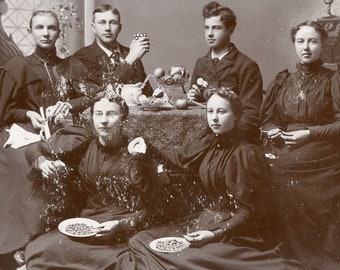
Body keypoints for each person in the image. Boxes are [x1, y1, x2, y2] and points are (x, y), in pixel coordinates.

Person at [126, 87, 305, 270]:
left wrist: (214, 234)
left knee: (185, 256)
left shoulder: (245, 152)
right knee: (140, 240)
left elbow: (250, 212)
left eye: (222, 111)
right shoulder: (210, 142)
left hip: (238, 230)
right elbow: (177, 159)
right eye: (210, 111)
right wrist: (146, 147)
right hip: (209, 219)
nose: (214, 118)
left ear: (236, 115)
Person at [24, 92, 159, 270]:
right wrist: (44, 162)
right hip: (88, 222)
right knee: (40, 250)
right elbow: (34, 148)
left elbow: (153, 207)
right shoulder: (85, 143)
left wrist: (122, 225)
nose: (104, 121)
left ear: (123, 119)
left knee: (122, 263)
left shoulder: (137, 150)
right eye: (99, 114)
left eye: (111, 114)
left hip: (125, 225)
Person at [0, 10, 86, 269]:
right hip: (23, 131)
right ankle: (22, 244)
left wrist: (68, 105)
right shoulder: (18, 65)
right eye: (40, 28)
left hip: (61, 131)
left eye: (51, 28)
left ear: (59, 32)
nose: (46, 33)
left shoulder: (70, 65)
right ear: (31, 32)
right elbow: (5, 110)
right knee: (27, 163)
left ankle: (58, 242)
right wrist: (28, 113)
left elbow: (89, 97)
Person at [260, 20, 340, 270]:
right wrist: (273, 131)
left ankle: (304, 253)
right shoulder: (284, 80)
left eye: (313, 41)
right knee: (257, 165)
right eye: (300, 41)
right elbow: (269, 119)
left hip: (322, 147)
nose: (306, 47)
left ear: (323, 45)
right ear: (294, 44)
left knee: (280, 171)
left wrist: (310, 134)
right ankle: (276, 245)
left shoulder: (334, 78)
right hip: (285, 144)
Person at [187, 1, 263, 143]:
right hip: (204, 136)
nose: (209, 33)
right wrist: (193, 97)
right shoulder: (201, 63)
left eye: (216, 28)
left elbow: (251, 116)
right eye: (206, 28)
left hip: (235, 139)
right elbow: (199, 106)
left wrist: (225, 138)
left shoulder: (246, 66)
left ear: (230, 30)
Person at [67, 4, 153, 98]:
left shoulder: (130, 53)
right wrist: (130, 60)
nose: (107, 28)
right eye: (102, 22)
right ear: (93, 27)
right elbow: (98, 95)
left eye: (113, 23)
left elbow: (148, 96)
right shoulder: (81, 57)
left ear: (120, 28)